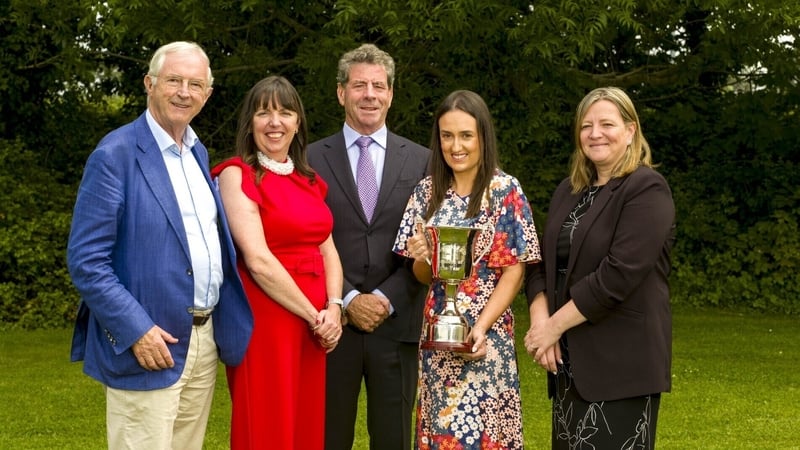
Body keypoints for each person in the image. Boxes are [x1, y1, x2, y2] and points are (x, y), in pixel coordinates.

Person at [66, 41, 253, 450]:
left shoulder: (197, 153)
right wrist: (137, 330)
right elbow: (86, 260)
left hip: (202, 342)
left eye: (195, 83)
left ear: (208, 94)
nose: (184, 91)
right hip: (148, 345)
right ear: (149, 83)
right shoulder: (114, 154)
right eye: (173, 80)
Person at [524, 86, 676, 449]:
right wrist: (541, 323)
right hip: (569, 368)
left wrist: (553, 328)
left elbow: (617, 275)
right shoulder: (569, 191)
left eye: (607, 123)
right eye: (586, 125)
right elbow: (540, 264)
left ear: (630, 131)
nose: (595, 133)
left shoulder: (647, 189)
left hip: (622, 366)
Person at [394, 89, 541, 449]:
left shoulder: (505, 189)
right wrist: (423, 259)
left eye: (465, 135)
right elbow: (421, 276)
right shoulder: (427, 192)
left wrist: (481, 328)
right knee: (440, 434)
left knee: (487, 438)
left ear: (482, 137)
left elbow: (513, 271)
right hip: (438, 337)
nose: (455, 146)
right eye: (447, 135)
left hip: (487, 337)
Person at [307, 43, 429, 450]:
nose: (370, 95)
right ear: (341, 92)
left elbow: (426, 244)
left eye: (379, 86)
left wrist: (382, 297)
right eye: (359, 85)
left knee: (393, 439)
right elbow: (305, 243)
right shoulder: (308, 159)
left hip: (397, 324)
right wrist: (345, 299)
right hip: (330, 325)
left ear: (392, 93)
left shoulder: (423, 162)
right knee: (327, 438)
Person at [212, 75, 344, 449]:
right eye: (263, 113)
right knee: (268, 424)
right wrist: (313, 314)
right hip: (266, 318)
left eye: (285, 112)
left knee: (305, 424)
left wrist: (334, 309)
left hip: (315, 325)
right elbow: (257, 261)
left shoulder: (310, 179)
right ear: (249, 123)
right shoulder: (237, 174)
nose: (275, 122)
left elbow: (328, 249)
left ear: (297, 122)